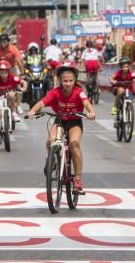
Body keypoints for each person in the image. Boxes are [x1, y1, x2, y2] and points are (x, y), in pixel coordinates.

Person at [26, 62, 96, 191]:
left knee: (74, 145)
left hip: (75, 122)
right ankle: (51, 158)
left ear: (75, 80)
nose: (68, 84)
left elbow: (86, 102)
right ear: (60, 80)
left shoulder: (79, 92)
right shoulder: (55, 92)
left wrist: (91, 112)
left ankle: (78, 179)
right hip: (60, 120)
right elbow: (42, 103)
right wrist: (32, 111)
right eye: (65, 81)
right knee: (50, 141)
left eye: (71, 81)